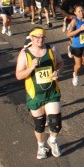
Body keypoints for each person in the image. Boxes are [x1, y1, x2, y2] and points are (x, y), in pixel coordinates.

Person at [15, 27, 64, 159]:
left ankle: (52, 141)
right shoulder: (25, 54)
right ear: (31, 38)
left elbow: (60, 63)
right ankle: (41, 146)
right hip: (35, 94)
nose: (40, 40)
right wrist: (31, 67)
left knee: (56, 123)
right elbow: (19, 75)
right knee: (40, 125)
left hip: (52, 92)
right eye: (37, 37)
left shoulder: (52, 49)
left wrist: (58, 72)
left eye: (42, 37)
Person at [67, 5, 84, 94]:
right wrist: (79, 29)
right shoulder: (74, 21)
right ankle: (75, 74)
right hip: (77, 46)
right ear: (75, 13)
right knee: (78, 65)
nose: (81, 12)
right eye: (79, 11)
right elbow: (69, 34)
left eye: (82, 10)